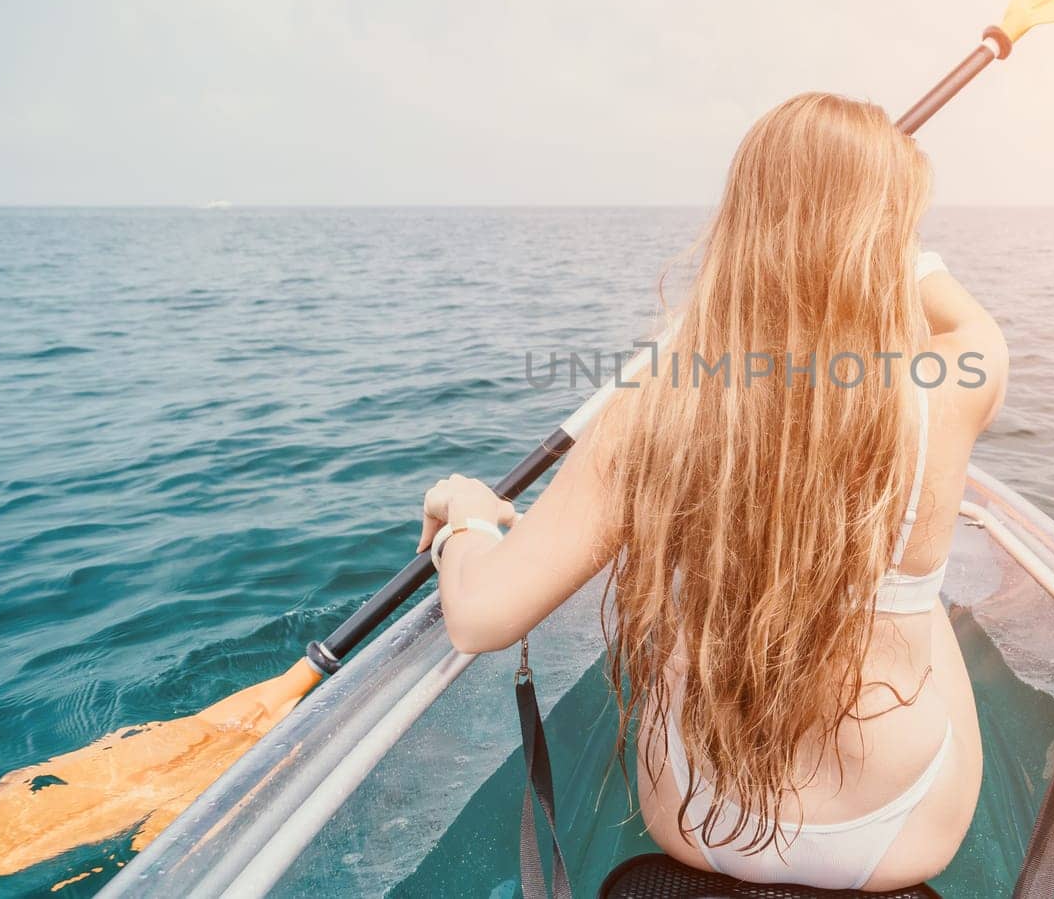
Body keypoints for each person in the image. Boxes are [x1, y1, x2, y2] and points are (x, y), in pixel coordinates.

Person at [418, 92, 1008, 891]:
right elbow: (959, 315)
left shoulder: (652, 409)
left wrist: (469, 519)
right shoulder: (953, 387)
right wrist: (886, 241)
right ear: (889, 238)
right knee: (922, 601)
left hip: (703, 819)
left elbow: (481, 616)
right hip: (900, 828)